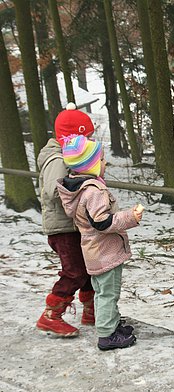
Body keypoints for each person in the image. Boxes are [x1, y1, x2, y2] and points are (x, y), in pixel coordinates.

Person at [56, 135, 142, 351]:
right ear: (90, 165)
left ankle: (111, 323)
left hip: (93, 250)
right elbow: (102, 222)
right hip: (105, 252)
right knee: (108, 292)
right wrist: (130, 217)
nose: (105, 163)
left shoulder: (79, 188)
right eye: (102, 160)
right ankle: (106, 334)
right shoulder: (94, 191)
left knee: (104, 290)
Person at [36, 103, 97, 337]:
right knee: (74, 272)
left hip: (74, 225)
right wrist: (82, 189)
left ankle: (90, 310)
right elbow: (52, 191)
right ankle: (51, 314)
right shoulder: (58, 159)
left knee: (89, 267)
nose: (90, 140)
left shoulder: (70, 156)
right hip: (62, 228)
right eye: (87, 136)